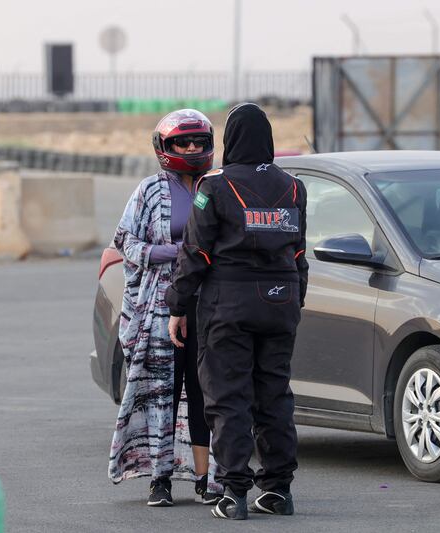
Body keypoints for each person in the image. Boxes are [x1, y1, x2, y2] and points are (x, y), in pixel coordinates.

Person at [165, 102, 308, 520]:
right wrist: (293, 302)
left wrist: (178, 305)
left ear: (231, 141)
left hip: (228, 304)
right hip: (281, 304)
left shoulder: (215, 187)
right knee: (275, 396)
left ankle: (233, 493)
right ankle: (278, 490)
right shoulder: (295, 188)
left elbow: (195, 253)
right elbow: (299, 253)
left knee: (229, 398)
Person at [108, 109, 223, 507]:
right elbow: (126, 244)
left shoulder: (219, 186)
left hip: (208, 306)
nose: (192, 148)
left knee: (205, 391)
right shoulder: (149, 190)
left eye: (198, 142)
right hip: (158, 309)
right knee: (163, 392)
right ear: (164, 147)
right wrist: (173, 253)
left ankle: (206, 479)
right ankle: (160, 479)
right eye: (182, 142)